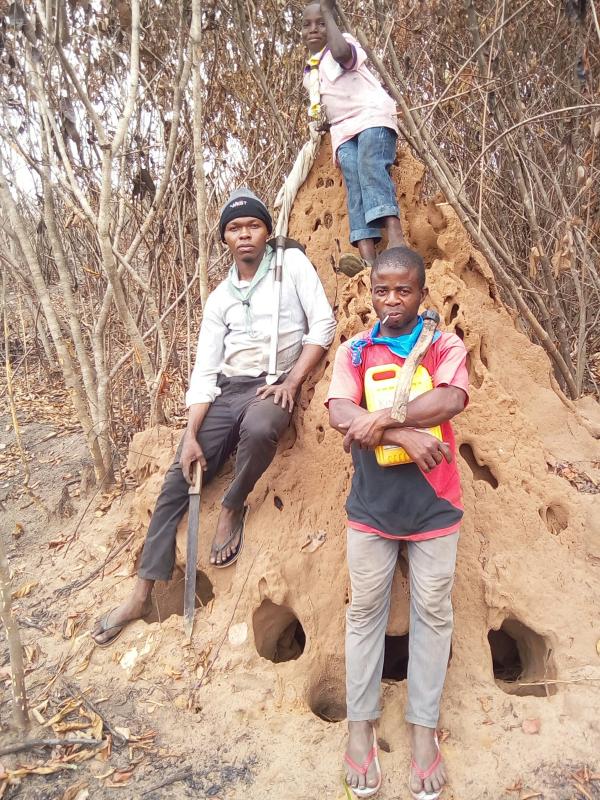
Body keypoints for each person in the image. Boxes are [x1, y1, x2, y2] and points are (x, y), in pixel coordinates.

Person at [92, 188, 336, 646]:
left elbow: (322, 325)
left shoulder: (291, 268)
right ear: (224, 237)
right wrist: (190, 434)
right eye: (234, 228)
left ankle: (232, 504)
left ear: (266, 231)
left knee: (262, 426)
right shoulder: (221, 297)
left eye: (253, 226)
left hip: (274, 381)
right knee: (176, 481)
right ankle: (141, 591)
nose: (244, 235)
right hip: (229, 390)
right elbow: (205, 370)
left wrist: (291, 382)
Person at [326, 246, 468, 799]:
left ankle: (423, 729)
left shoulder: (445, 346)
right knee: (365, 612)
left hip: (435, 507)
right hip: (371, 507)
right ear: (369, 291)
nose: (391, 300)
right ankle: (359, 727)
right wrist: (403, 434)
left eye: (403, 290)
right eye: (381, 289)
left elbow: (452, 398)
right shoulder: (355, 350)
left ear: (421, 293)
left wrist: (386, 418)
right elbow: (340, 412)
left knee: (433, 613)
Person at [301, 0, 405, 277]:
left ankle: (396, 241)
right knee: (354, 182)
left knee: (370, 166)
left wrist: (328, 13)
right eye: (307, 24)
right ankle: (367, 259)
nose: (314, 29)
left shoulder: (342, 43)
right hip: (343, 131)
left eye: (320, 23)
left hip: (370, 117)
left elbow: (342, 54)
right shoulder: (310, 71)